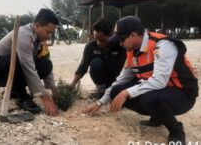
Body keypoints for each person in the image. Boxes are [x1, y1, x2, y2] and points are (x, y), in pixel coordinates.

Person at [83, 16, 198, 144]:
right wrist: (100, 102)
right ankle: (158, 116)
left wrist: (127, 92)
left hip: (183, 93)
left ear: (132, 35)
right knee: (116, 91)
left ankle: (176, 130)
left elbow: (159, 81)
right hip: (160, 89)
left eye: (121, 40)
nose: (120, 44)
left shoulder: (162, 45)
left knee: (148, 98)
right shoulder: (131, 50)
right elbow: (122, 79)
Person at [0, 8, 59, 116]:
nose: (49, 36)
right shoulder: (24, 34)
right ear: (37, 26)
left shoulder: (39, 41)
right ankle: (22, 97)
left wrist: (55, 92)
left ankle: (13, 90)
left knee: (46, 64)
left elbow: (46, 68)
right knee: (19, 60)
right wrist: (45, 98)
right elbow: (28, 67)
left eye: (52, 33)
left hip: (7, 71)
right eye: (47, 32)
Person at [69, 18, 126, 99]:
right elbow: (82, 67)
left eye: (102, 40)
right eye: (96, 39)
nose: (99, 43)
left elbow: (124, 70)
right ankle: (101, 90)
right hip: (101, 80)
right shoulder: (90, 46)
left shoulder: (120, 45)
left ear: (111, 35)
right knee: (96, 63)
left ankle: (113, 90)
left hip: (117, 80)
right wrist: (71, 86)